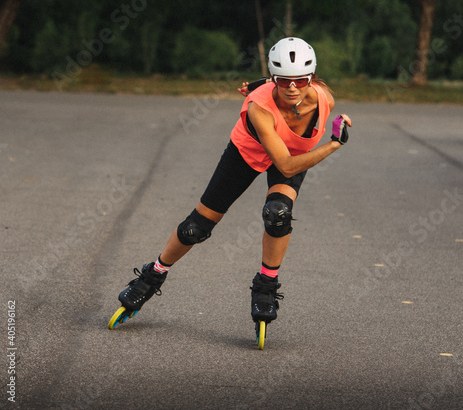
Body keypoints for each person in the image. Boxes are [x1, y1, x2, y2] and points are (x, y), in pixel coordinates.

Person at [116, 37, 352, 327]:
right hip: (248, 154)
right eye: (283, 80)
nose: (293, 87)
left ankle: (266, 286)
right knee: (195, 228)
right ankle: (153, 274)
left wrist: (263, 81)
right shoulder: (259, 108)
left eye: (301, 80)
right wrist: (333, 145)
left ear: (312, 78)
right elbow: (285, 165)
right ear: (274, 78)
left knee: (278, 213)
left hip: (294, 155)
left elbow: (290, 163)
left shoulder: (324, 98)